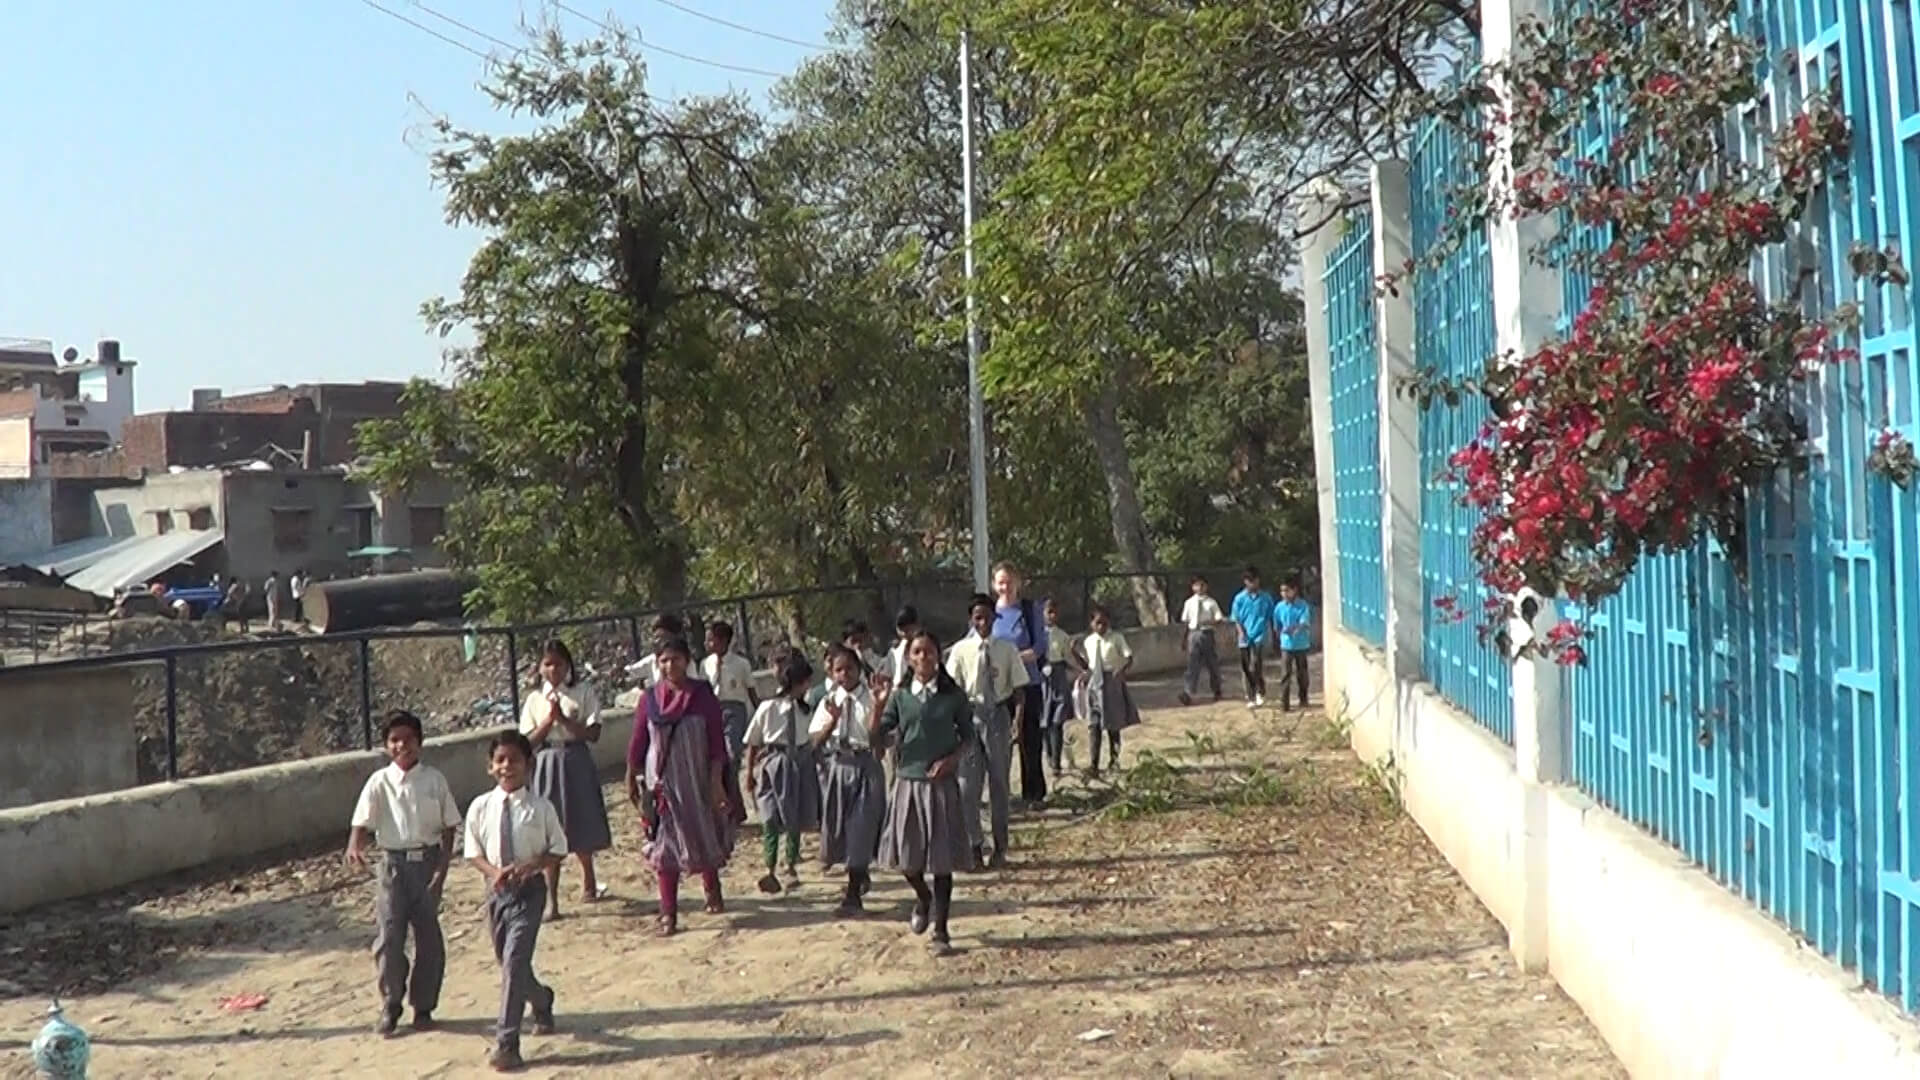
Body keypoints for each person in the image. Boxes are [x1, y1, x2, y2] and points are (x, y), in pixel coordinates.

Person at [345, 709, 461, 1037]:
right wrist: (355, 844)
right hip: (392, 865)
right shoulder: (379, 781)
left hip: (426, 863)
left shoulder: (434, 780)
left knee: (428, 937)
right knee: (390, 936)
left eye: (408, 740)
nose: (402, 746)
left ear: (420, 743)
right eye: (395, 740)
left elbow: (450, 825)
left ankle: (423, 1005)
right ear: (386, 746)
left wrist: (442, 867)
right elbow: (361, 821)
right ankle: (391, 1001)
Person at [463, 731, 567, 1072]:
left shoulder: (540, 807)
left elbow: (558, 849)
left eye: (515, 760)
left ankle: (507, 1042)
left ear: (529, 765)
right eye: (501, 760)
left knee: (515, 960)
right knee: (508, 963)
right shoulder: (481, 807)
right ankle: (541, 998)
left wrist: (531, 865)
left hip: (529, 892)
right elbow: (473, 852)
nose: (508, 767)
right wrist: (493, 872)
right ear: (491, 767)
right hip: (497, 893)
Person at [873, 629, 975, 956]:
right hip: (908, 782)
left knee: (941, 861)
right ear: (908, 658)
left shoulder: (953, 696)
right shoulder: (901, 697)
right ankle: (923, 897)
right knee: (907, 857)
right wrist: (877, 708)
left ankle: (942, 931)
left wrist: (951, 760)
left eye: (928, 652)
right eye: (916, 652)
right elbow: (877, 738)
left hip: (940, 785)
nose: (923, 658)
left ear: (938, 656)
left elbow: (969, 737)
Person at [627, 635, 735, 935]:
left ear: (687, 661)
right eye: (663, 660)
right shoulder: (649, 699)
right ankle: (669, 913)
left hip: (697, 781)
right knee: (664, 847)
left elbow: (716, 741)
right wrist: (631, 776)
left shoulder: (702, 695)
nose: (669, 665)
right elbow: (638, 740)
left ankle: (712, 886)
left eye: (675, 659)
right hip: (661, 784)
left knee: (703, 833)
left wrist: (716, 781)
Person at [518, 640, 612, 920]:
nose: (553, 669)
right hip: (547, 761)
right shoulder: (535, 700)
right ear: (540, 667)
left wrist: (565, 721)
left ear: (568, 666)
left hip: (576, 759)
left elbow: (593, 733)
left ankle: (589, 879)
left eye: (558, 663)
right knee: (550, 825)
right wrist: (548, 723)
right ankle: (553, 900)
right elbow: (528, 741)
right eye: (547, 664)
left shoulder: (581, 693)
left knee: (581, 817)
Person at [947, 592, 1029, 871]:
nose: (982, 623)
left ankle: (1000, 846)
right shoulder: (960, 651)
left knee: (999, 785)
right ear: (971, 619)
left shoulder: (1007, 649)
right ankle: (973, 845)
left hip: (997, 717)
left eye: (987, 617)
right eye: (977, 618)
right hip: (970, 715)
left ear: (995, 618)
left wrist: (1017, 722)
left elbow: (1019, 691)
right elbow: (951, 691)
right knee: (968, 787)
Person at [811, 644, 891, 916]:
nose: (844, 674)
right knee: (839, 828)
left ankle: (853, 893)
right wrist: (831, 723)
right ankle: (858, 871)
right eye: (838, 670)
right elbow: (815, 741)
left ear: (859, 670)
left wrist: (878, 709)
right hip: (838, 766)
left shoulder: (872, 698)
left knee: (861, 825)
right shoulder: (829, 700)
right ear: (832, 673)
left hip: (865, 766)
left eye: (849, 669)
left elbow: (876, 740)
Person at [745, 656, 823, 894]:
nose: (808, 686)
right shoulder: (768, 708)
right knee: (769, 817)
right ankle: (769, 867)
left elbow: (814, 738)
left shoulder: (806, 710)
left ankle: (790, 865)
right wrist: (749, 772)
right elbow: (754, 742)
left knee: (793, 817)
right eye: (806, 682)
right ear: (797, 683)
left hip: (798, 764)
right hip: (773, 764)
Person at [990, 562, 1050, 808]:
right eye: (1001, 582)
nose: (1005, 587)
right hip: (998, 688)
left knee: (1029, 738)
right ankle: (1001, 795)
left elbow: (1039, 648)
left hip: (1027, 683)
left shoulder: (1029, 610)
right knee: (999, 743)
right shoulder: (987, 613)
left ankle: (1033, 794)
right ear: (994, 585)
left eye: (1009, 581)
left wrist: (1011, 658)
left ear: (1018, 583)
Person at [1075, 605, 1140, 778]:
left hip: (1111, 681)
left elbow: (1129, 657)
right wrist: (1075, 654)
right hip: (1095, 684)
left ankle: (1114, 760)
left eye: (1104, 623)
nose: (1101, 627)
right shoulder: (1089, 641)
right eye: (1098, 623)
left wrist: (1122, 670)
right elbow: (1087, 665)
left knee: (1113, 723)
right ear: (1091, 624)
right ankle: (1094, 764)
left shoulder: (1116, 638)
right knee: (1094, 725)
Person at [701, 621, 759, 766]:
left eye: (710, 639)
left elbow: (751, 689)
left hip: (735, 710)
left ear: (723, 640)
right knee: (717, 755)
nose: (706, 643)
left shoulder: (741, 663)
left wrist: (759, 713)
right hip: (713, 709)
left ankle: (733, 779)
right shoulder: (705, 664)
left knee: (733, 751)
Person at [1230, 566, 1275, 709]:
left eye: (1254, 581)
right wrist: (1241, 632)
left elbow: (1271, 616)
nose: (1252, 584)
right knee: (1246, 667)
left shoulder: (1265, 598)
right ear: (1245, 582)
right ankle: (1249, 695)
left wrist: (1272, 633)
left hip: (1259, 636)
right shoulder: (1239, 599)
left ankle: (1259, 692)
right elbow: (1236, 618)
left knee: (1256, 665)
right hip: (1245, 638)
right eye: (1249, 581)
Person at [1039, 599, 1075, 778]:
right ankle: (1049, 754)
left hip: (1058, 676)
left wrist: (1078, 671)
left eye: (1054, 612)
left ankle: (1057, 762)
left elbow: (1067, 657)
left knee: (1057, 722)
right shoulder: (1037, 634)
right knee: (1044, 722)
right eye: (1048, 612)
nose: (1051, 616)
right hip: (1042, 678)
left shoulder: (1062, 636)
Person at [1179, 575, 1226, 706]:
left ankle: (1217, 689)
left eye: (1202, 585)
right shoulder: (1189, 603)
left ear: (1206, 586)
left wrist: (1208, 622)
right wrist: (1184, 639)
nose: (1199, 588)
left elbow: (1219, 619)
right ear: (1192, 587)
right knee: (1192, 664)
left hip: (1207, 633)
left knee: (1212, 663)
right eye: (1196, 585)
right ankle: (1188, 692)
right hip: (1193, 634)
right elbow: (1186, 622)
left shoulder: (1211, 602)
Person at [1273, 576, 1314, 711]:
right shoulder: (1279, 607)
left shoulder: (1302, 605)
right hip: (1286, 646)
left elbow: (1304, 622)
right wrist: (1279, 636)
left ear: (1294, 590)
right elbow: (1277, 625)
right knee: (1285, 674)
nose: (1284, 594)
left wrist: (1295, 629)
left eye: (1287, 590)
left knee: (1302, 674)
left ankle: (1303, 698)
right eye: (1282, 591)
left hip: (1301, 645)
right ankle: (1284, 703)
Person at [625, 613, 686, 689]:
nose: (657, 641)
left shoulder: (684, 660)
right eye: (655, 637)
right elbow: (632, 671)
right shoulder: (653, 659)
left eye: (662, 637)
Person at [885, 606, 921, 690]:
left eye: (908, 627)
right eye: (901, 628)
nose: (905, 632)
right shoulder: (894, 651)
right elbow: (887, 675)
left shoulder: (926, 647)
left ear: (916, 624)